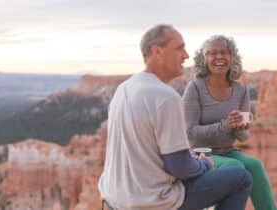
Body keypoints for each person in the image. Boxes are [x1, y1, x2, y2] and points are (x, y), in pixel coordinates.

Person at [98, 25, 252, 210]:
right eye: (179, 48)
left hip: (115, 199)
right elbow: (178, 167)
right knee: (240, 178)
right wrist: (204, 164)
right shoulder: (166, 97)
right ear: (157, 51)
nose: (186, 55)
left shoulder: (124, 89)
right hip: (152, 202)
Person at [183, 35, 276, 210]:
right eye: (212, 53)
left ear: (232, 57)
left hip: (227, 151)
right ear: (204, 59)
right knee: (236, 167)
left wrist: (240, 128)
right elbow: (190, 132)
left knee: (255, 165)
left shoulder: (240, 90)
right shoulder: (195, 88)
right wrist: (225, 125)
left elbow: (243, 136)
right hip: (199, 154)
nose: (219, 57)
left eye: (224, 52)